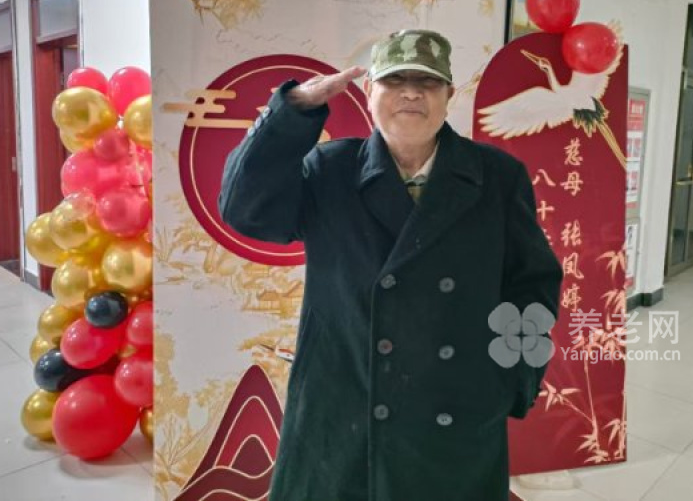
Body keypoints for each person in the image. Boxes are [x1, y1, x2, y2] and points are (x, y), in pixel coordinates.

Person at [219, 29, 563, 501]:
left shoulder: (497, 177)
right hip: (344, 412)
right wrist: (290, 113)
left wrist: (513, 379)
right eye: (395, 79)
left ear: (449, 95)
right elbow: (244, 210)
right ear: (369, 90)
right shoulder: (330, 169)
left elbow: (532, 283)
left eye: (428, 81)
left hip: (456, 410)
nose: (411, 93)